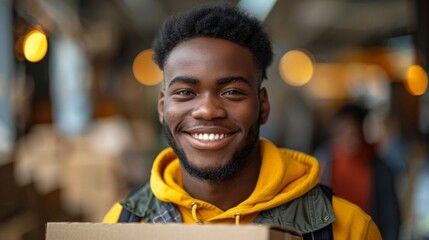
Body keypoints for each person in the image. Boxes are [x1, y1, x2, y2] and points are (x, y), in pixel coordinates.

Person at [103, 2, 382, 239]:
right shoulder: (121, 224)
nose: (207, 110)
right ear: (163, 107)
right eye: (185, 92)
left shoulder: (347, 229)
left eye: (232, 92)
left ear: (262, 105)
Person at [313, 103, 400, 240]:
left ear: (363, 132)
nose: (349, 137)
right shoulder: (323, 161)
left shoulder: (380, 169)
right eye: (344, 131)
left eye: (354, 131)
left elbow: (391, 218)